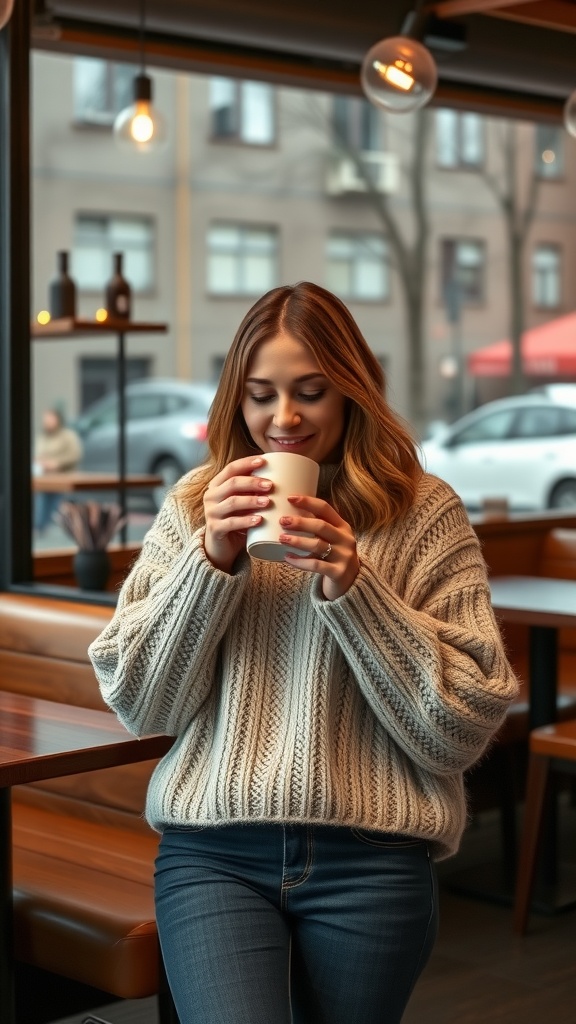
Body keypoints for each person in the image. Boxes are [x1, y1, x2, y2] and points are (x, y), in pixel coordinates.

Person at [88, 281, 518, 1024]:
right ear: (237, 400)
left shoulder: (425, 511)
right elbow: (139, 702)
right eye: (260, 395)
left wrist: (357, 587)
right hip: (214, 853)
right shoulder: (199, 502)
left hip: (374, 859)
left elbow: (460, 729)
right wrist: (211, 561)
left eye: (310, 392)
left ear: (351, 390)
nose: (282, 418)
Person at [33, 408, 83, 533]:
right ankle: (39, 527)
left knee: (51, 500)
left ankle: (44, 526)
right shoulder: (42, 437)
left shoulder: (68, 436)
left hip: (64, 477)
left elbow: (75, 455)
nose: (47, 422)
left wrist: (56, 464)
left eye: (50, 419)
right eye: (46, 419)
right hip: (44, 478)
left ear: (58, 419)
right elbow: (37, 454)